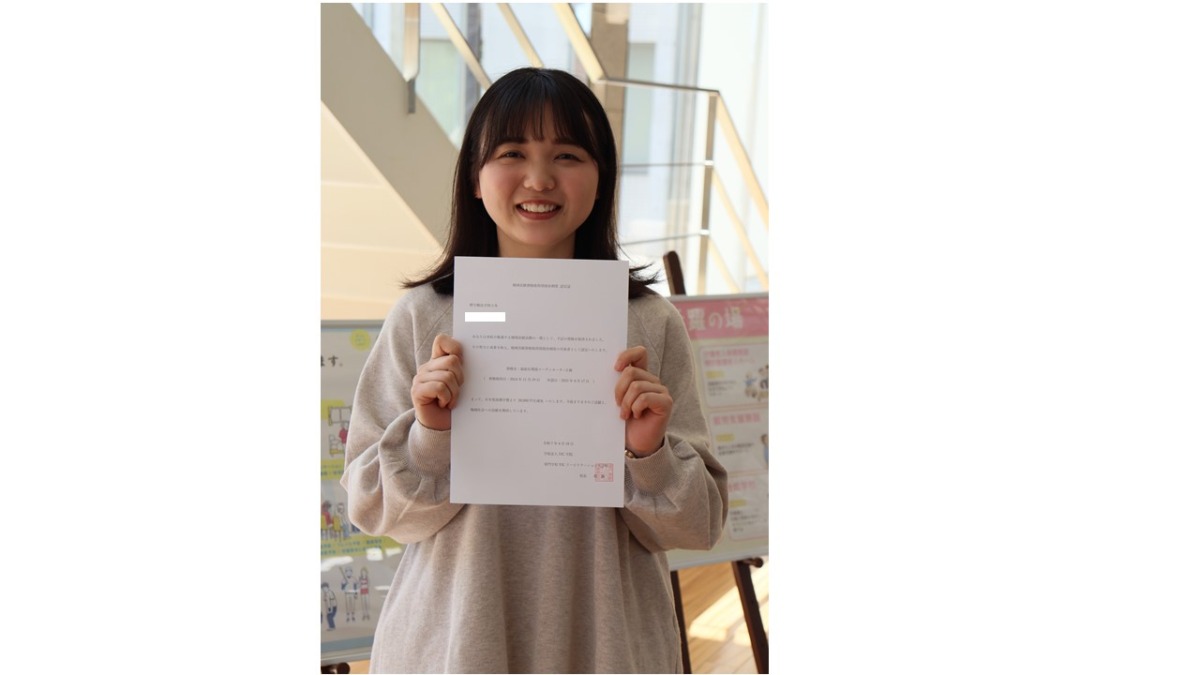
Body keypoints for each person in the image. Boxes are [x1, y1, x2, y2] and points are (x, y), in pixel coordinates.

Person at [341, 67, 728, 674]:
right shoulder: (423, 317)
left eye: (567, 155)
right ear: (475, 177)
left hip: (608, 646)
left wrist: (648, 451)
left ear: (602, 179)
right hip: (455, 644)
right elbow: (373, 510)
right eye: (512, 153)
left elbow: (699, 525)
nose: (540, 178)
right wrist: (431, 436)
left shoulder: (649, 323)